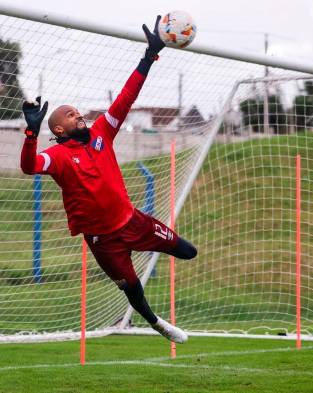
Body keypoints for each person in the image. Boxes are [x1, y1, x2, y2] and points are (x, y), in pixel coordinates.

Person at [20, 16, 197, 343]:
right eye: (71, 115)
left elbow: (127, 97)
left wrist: (149, 56)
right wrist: (31, 132)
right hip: (104, 241)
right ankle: (157, 323)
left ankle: (158, 308)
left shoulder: (103, 131)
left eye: (78, 111)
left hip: (134, 221)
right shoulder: (58, 157)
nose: (79, 115)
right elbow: (30, 166)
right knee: (132, 289)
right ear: (59, 129)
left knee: (188, 251)